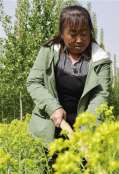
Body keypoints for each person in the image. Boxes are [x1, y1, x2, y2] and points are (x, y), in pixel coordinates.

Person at [26, 5, 111, 145]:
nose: (79, 40)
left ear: (90, 33)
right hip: (48, 131)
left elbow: (100, 96)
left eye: (84, 34)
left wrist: (86, 129)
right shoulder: (48, 52)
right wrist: (53, 107)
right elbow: (34, 82)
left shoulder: (100, 60)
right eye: (73, 34)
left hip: (84, 134)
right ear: (62, 33)